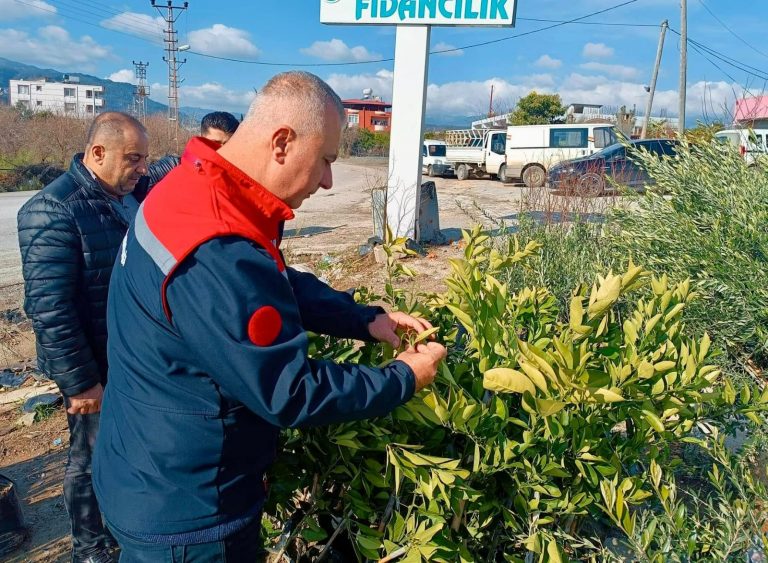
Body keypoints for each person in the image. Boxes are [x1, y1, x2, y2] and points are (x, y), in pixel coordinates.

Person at [93, 71, 446, 561]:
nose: (327, 180)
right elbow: (289, 390)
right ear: (282, 142)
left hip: (145, 464)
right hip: (190, 514)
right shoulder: (216, 244)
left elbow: (268, 284)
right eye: (324, 160)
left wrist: (363, 319)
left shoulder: (195, 190)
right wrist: (403, 378)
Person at [17, 112, 150, 563]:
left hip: (126, 358)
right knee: (89, 456)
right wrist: (80, 383)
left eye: (144, 158)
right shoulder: (52, 209)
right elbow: (49, 310)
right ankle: (91, 548)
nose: (142, 168)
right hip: (92, 364)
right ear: (97, 154)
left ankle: (121, 526)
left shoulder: (124, 197)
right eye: (133, 158)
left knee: (121, 451)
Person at [146, 111, 239, 186]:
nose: (221, 149)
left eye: (227, 144)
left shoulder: (237, 177)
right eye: (214, 143)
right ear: (201, 139)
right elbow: (138, 182)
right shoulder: (173, 166)